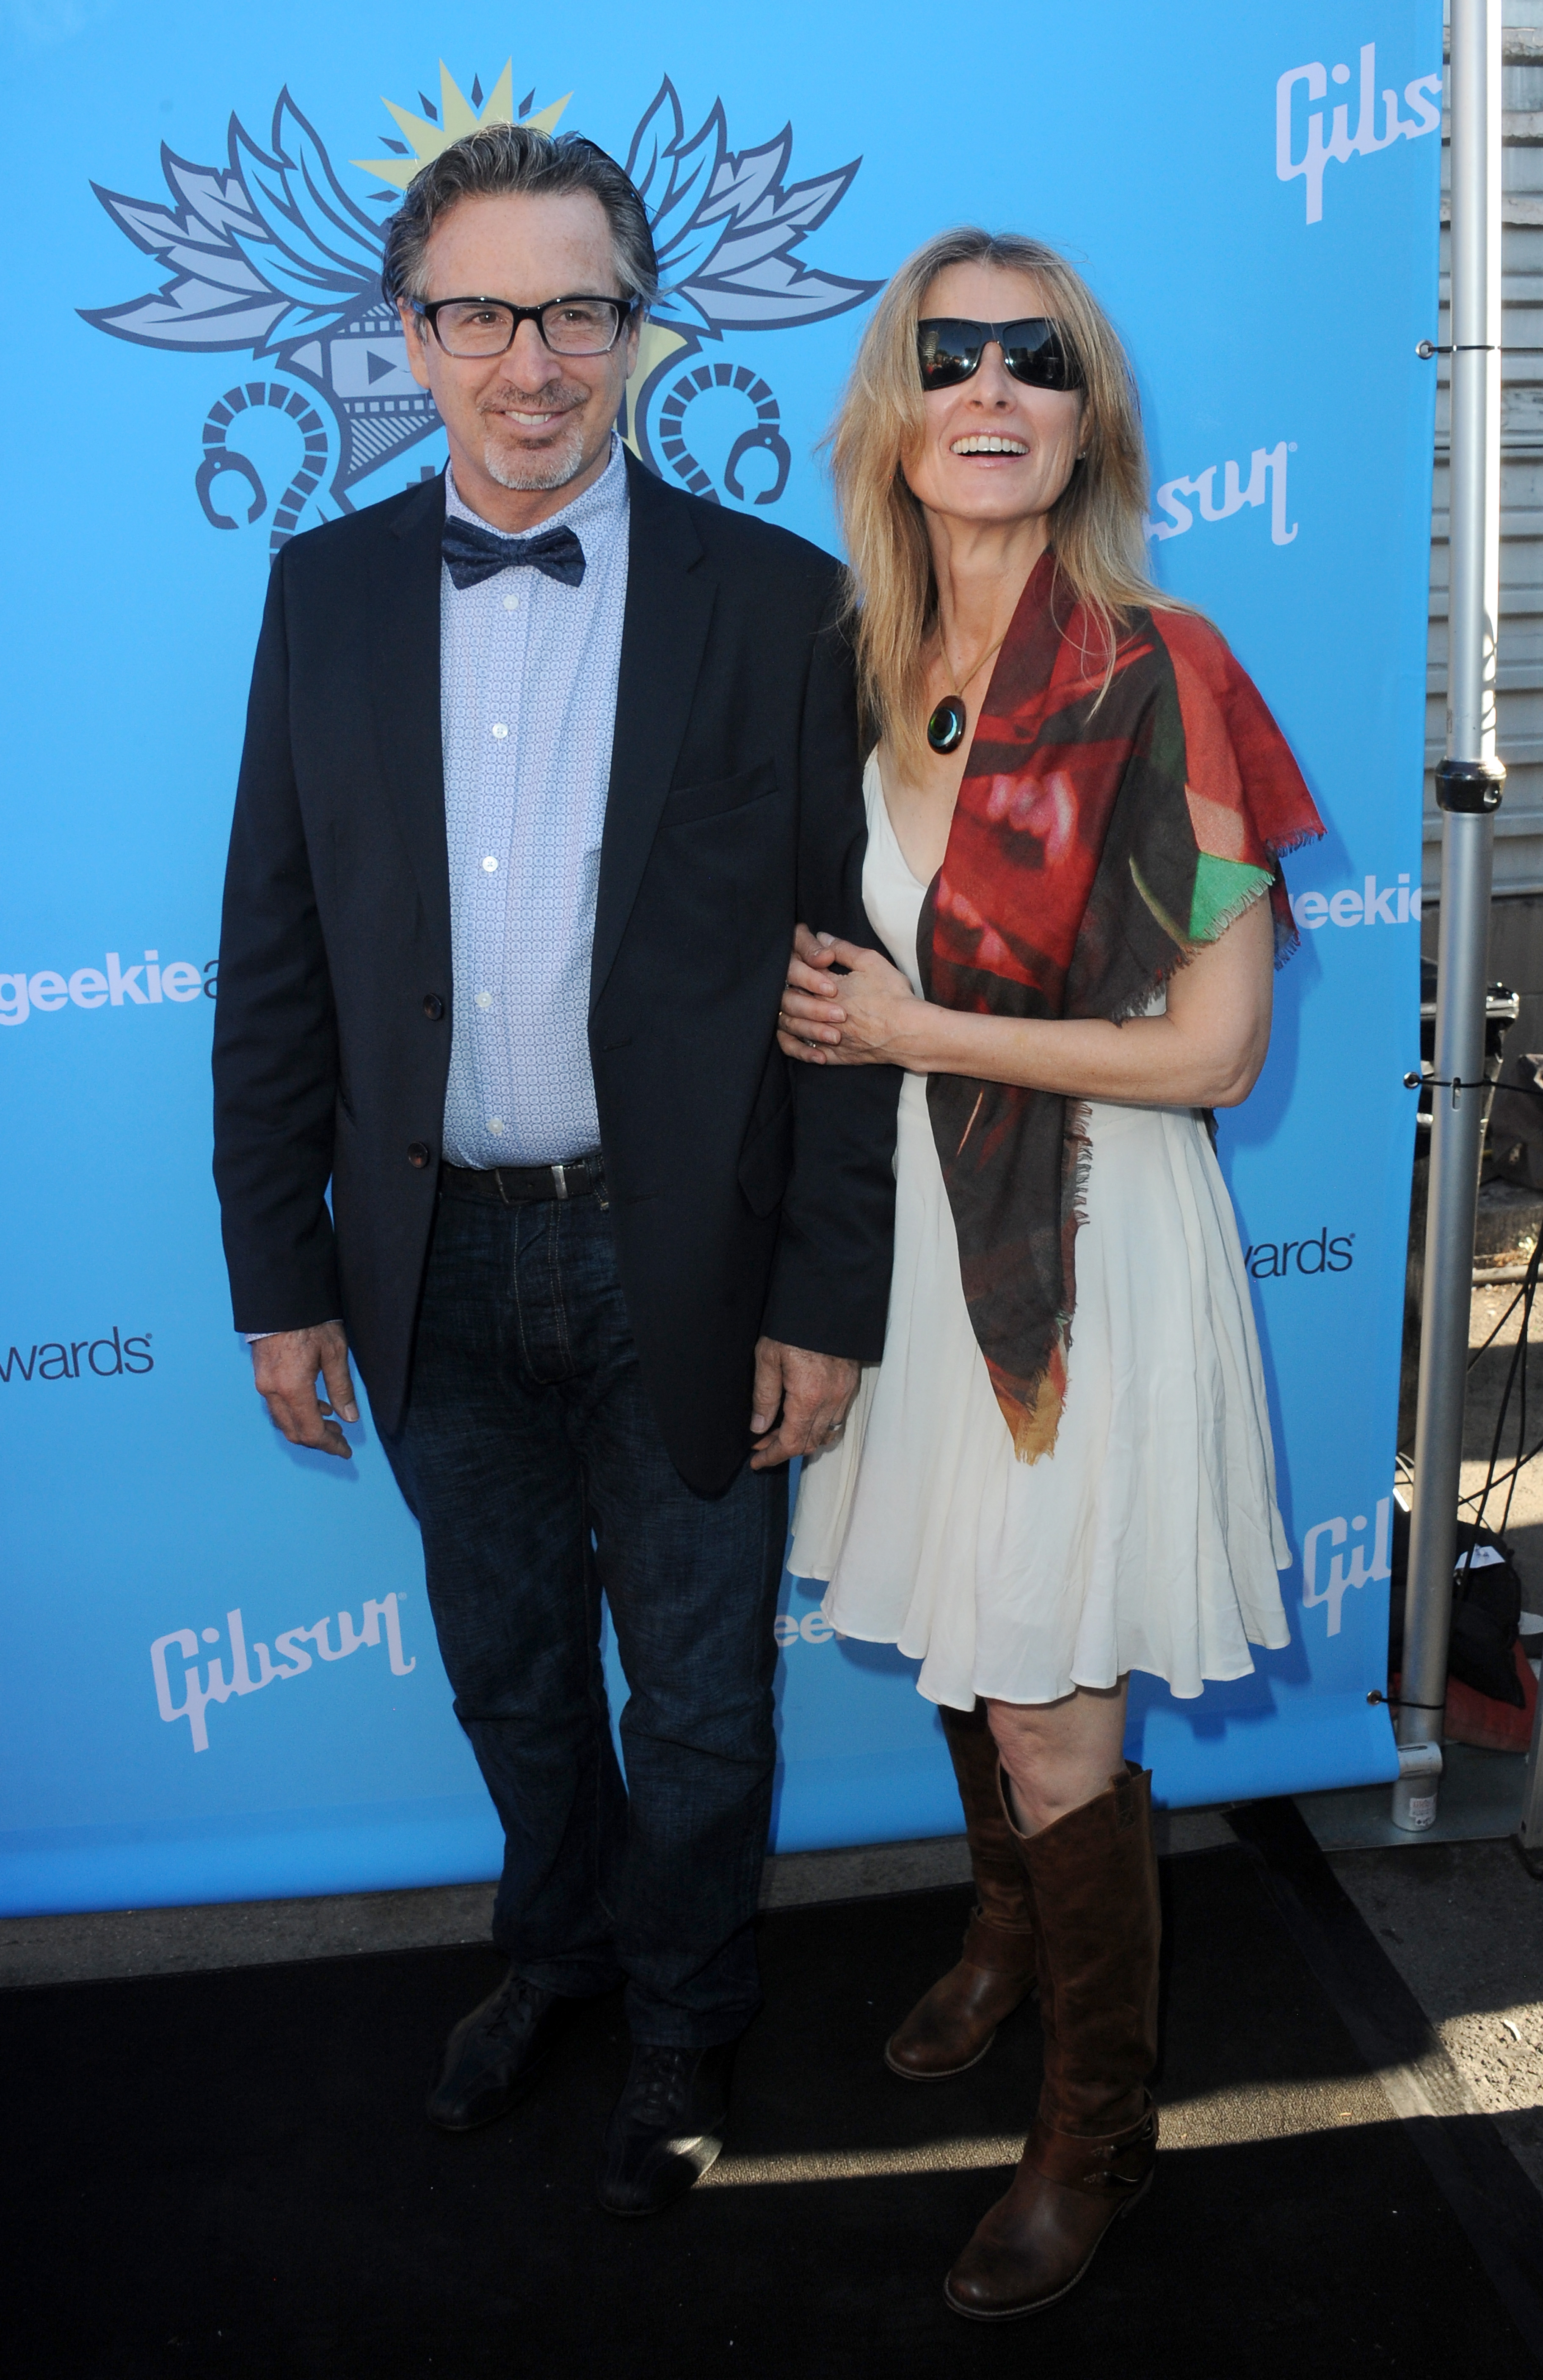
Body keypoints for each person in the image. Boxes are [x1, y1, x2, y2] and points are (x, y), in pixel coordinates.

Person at [211, 122, 897, 2218]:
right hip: (425, 1261)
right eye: (483, 314)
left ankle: (687, 2006)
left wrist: (825, 1294)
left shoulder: (778, 602)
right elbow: (275, 954)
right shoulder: (322, 592)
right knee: (509, 1667)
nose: (534, 362)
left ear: (638, 325)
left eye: (578, 310)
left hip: (683, 1261)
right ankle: (560, 1948)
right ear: (409, 335)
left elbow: (840, 981)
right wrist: (279, 1275)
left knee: (698, 1690)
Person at [776, 228, 1323, 2319]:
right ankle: (1009, 1931)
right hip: (909, 1240)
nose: (992, 389)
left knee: (1056, 1712)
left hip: (1085, 1242)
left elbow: (1219, 1051)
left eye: (1038, 358)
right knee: (974, 1638)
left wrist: (919, 1030)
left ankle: (1102, 2127)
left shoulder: (1165, 664)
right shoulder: (851, 662)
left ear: (1089, 419)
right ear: (894, 412)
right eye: (951, 355)